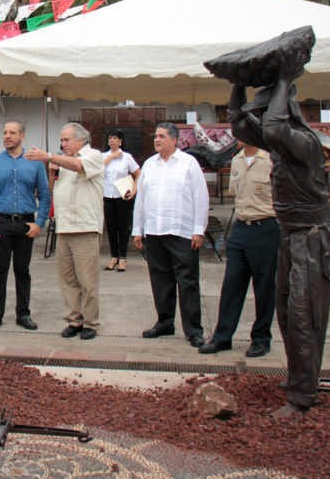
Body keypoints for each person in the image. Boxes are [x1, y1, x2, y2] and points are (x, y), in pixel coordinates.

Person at [228, 71, 330, 416]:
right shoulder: (279, 141)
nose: (259, 121)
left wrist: (286, 78)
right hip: (290, 234)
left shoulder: (302, 141)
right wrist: (237, 81)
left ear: (285, 111)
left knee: (305, 316)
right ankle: (297, 378)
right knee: (288, 311)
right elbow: (239, 124)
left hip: (311, 238)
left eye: (265, 112)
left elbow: (271, 128)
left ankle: (303, 395)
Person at [199, 141, 280, 358]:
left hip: (266, 227)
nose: (237, 136)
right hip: (241, 228)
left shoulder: (271, 160)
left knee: (264, 289)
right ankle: (222, 337)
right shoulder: (237, 160)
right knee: (231, 286)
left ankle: (261, 339)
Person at [132, 122, 209, 348]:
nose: (157, 140)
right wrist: (138, 230)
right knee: (160, 281)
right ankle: (165, 322)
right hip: (155, 231)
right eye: (156, 136)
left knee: (187, 282)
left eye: (162, 136)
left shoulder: (189, 164)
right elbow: (141, 199)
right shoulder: (149, 164)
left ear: (175, 140)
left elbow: (201, 198)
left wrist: (198, 230)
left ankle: (194, 329)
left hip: (182, 232)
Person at [26, 123, 104, 340]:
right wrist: (52, 171)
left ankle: (91, 322)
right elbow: (52, 191)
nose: (63, 144)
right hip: (64, 227)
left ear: (81, 140)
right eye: (61, 140)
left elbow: (79, 166)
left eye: (67, 140)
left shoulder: (93, 156)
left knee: (87, 279)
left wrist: (49, 156)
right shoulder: (62, 161)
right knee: (67, 278)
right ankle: (74, 319)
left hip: (85, 227)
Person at [0, 120, 51, 332]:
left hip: (25, 225)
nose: (7, 136)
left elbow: (45, 196)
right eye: (5, 132)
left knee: (22, 270)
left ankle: (23, 314)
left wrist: (40, 223)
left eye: (12, 132)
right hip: (0, 223)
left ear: (23, 136)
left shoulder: (35, 162)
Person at [101, 130, 140, 272]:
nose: (112, 140)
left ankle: (123, 258)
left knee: (123, 227)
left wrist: (135, 189)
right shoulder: (103, 156)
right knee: (110, 227)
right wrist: (111, 157)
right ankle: (114, 257)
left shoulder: (127, 157)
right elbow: (98, 169)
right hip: (108, 196)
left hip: (123, 196)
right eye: (110, 138)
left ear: (120, 141)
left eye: (115, 138)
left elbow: (138, 173)